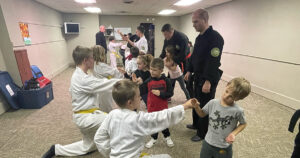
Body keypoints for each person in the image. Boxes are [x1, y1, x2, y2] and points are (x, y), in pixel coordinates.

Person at [42, 46, 120, 158]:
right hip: (86, 118)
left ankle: (57, 150)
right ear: (85, 60)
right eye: (92, 58)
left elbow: (97, 83)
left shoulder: (79, 75)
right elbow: (104, 84)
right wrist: (126, 82)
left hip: (85, 115)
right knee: (115, 120)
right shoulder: (82, 79)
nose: (94, 60)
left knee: (88, 146)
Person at [94, 79, 196, 158]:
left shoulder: (112, 114)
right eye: (138, 96)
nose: (140, 98)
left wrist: (111, 153)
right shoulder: (137, 119)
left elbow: (98, 138)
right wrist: (184, 106)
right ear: (130, 102)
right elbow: (161, 117)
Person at [184, 8, 224, 142]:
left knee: (205, 105)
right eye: (193, 22)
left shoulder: (216, 38)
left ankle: (203, 133)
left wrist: (208, 81)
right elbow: (194, 56)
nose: (193, 25)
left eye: (196, 22)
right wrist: (189, 70)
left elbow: (213, 61)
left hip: (208, 78)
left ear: (204, 20)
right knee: (196, 102)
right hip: (198, 76)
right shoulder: (199, 37)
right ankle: (196, 124)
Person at [193, 77, 251, 158]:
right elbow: (202, 114)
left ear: (238, 98)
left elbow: (243, 124)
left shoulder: (238, 111)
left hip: (224, 146)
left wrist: (233, 134)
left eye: (231, 96)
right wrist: (196, 107)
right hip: (208, 142)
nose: (226, 96)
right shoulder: (212, 103)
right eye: (226, 91)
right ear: (226, 86)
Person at [138, 58, 174, 148]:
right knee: (153, 124)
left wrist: (161, 93)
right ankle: (154, 138)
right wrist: (138, 83)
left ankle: (167, 137)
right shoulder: (149, 80)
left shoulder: (166, 81)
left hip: (162, 107)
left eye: (154, 70)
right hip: (152, 107)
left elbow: (170, 93)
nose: (152, 72)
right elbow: (142, 90)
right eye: (151, 69)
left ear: (161, 70)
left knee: (164, 123)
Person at [92, 45, 124, 113]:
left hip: (98, 87)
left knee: (100, 105)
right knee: (107, 108)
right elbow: (115, 73)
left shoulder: (93, 64)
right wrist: (121, 73)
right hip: (105, 89)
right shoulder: (102, 66)